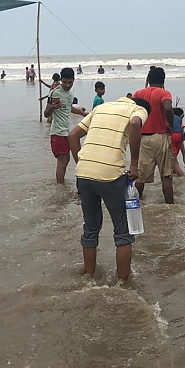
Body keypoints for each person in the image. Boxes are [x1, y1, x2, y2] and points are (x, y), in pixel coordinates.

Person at [68, 96, 151, 282]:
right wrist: (135, 164)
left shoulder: (101, 108)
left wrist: (82, 164)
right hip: (111, 176)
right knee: (123, 233)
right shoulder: (138, 110)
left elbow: (72, 136)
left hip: (84, 175)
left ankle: (88, 276)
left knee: (90, 228)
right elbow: (136, 124)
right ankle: (122, 284)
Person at [132, 66, 175, 204]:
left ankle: (136, 204)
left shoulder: (138, 93)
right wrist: (171, 125)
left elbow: (131, 109)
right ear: (163, 81)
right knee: (166, 176)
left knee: (140, 177)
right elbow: (168, 108)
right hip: (161, 136)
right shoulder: (164, 93)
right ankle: (170, 206)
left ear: (148, 80)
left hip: (142, 138)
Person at [44, 67, 87, 183]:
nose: (67, 85)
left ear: (73, 80)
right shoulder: (55, 92)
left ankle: (61, 183)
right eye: (65, 82)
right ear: (61, 80)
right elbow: (45, 113)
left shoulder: (71, 92)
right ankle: (60, 186)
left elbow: (69, 107)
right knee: (62, 161)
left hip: (67, 131)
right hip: (57, 133)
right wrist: (52, 107)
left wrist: (83, 113)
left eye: (70, 82)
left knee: (67, 159)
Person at [171, 107, 185, 176]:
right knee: (173, 161)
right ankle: (175, 175)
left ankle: (183, 177)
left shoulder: (169, 118)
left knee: (173, 161)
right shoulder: (180, 124)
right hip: (180, 136)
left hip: (171, 136)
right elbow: (181, 143)